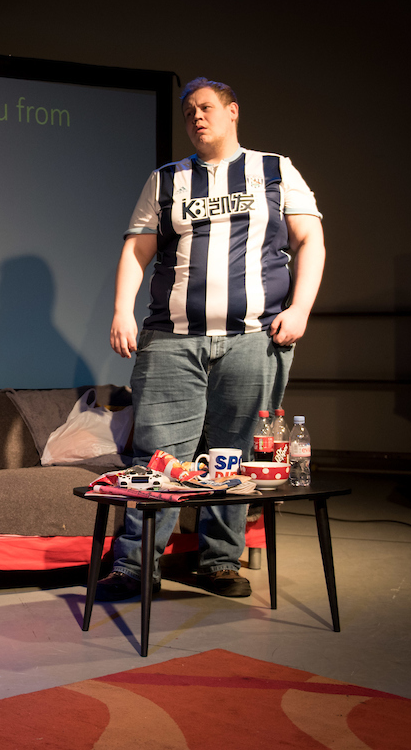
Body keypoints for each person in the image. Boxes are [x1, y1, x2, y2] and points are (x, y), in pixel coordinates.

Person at [101, 77, 325, 600]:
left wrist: (301, 309)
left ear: (232, 112)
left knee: (236, 454)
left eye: (206, 108)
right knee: (156, 456)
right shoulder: (166, 180)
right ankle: (135, 567)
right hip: (173, 341)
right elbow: (138, 249)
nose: (197, 118)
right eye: (188, 113)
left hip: (254, 338)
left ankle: (220, 563)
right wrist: (122, 311)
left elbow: (310, 237)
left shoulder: (273, 169)